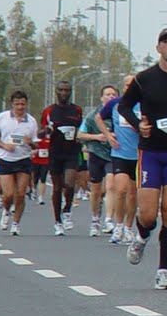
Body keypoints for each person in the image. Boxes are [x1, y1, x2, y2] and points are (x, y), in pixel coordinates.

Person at [118, 28, 167, 291]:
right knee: (148, 214)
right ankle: (141, 235)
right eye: (166, 43)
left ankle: (163, 270)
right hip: (150, 151)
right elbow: (123, 106)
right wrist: (139, 125)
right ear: (158, 48)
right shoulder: (144, 79)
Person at [0, 90, 37, 234]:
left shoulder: (31, 121)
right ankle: (6, 210)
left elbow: (36, 144)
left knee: (21, 194)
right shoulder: (2, 118)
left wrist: (30, 143)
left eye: (23, 104)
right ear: (12, 104)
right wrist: (4, 145)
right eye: (17, 104)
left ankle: (16, 224)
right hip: (6, 158)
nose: (20, 107)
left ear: (26, 104)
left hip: (23, 159)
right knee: (8, 194)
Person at [40, 79, 84, 235]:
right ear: (56, 91)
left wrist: (81, 138)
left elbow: (81, 128)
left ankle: (67, 210)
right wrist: (46, 131)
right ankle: (57, 221)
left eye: (67, 90)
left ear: (71, 92)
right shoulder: (49, 111)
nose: (64, 93)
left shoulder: (77, 110)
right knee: (57, 188)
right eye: (61, 90)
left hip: (71, 152)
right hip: (55, 152)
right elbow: (41, 132)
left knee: (70, 183)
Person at [99, 75, 139, 245]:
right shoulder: (115, 104)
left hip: (139, 155)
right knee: (120, 190)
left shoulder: (144, 104)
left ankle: (129, 228)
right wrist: (108, 135)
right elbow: (98, 118)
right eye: (127, 85)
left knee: (132, 194)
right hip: (120, 154)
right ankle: (119, 226)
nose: (129, 87)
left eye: (133, 85)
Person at [79, 85, 117, 235]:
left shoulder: (119, 113)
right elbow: (80, 135)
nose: (111, 97)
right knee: (96, 190)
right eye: (108, 94)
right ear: (101, 98)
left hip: (113, 154)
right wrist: (97, 137)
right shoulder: (92, 115)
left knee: (111, 185)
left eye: (114, 94)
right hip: (96, 153)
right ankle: (95, 220)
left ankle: (109, 220)